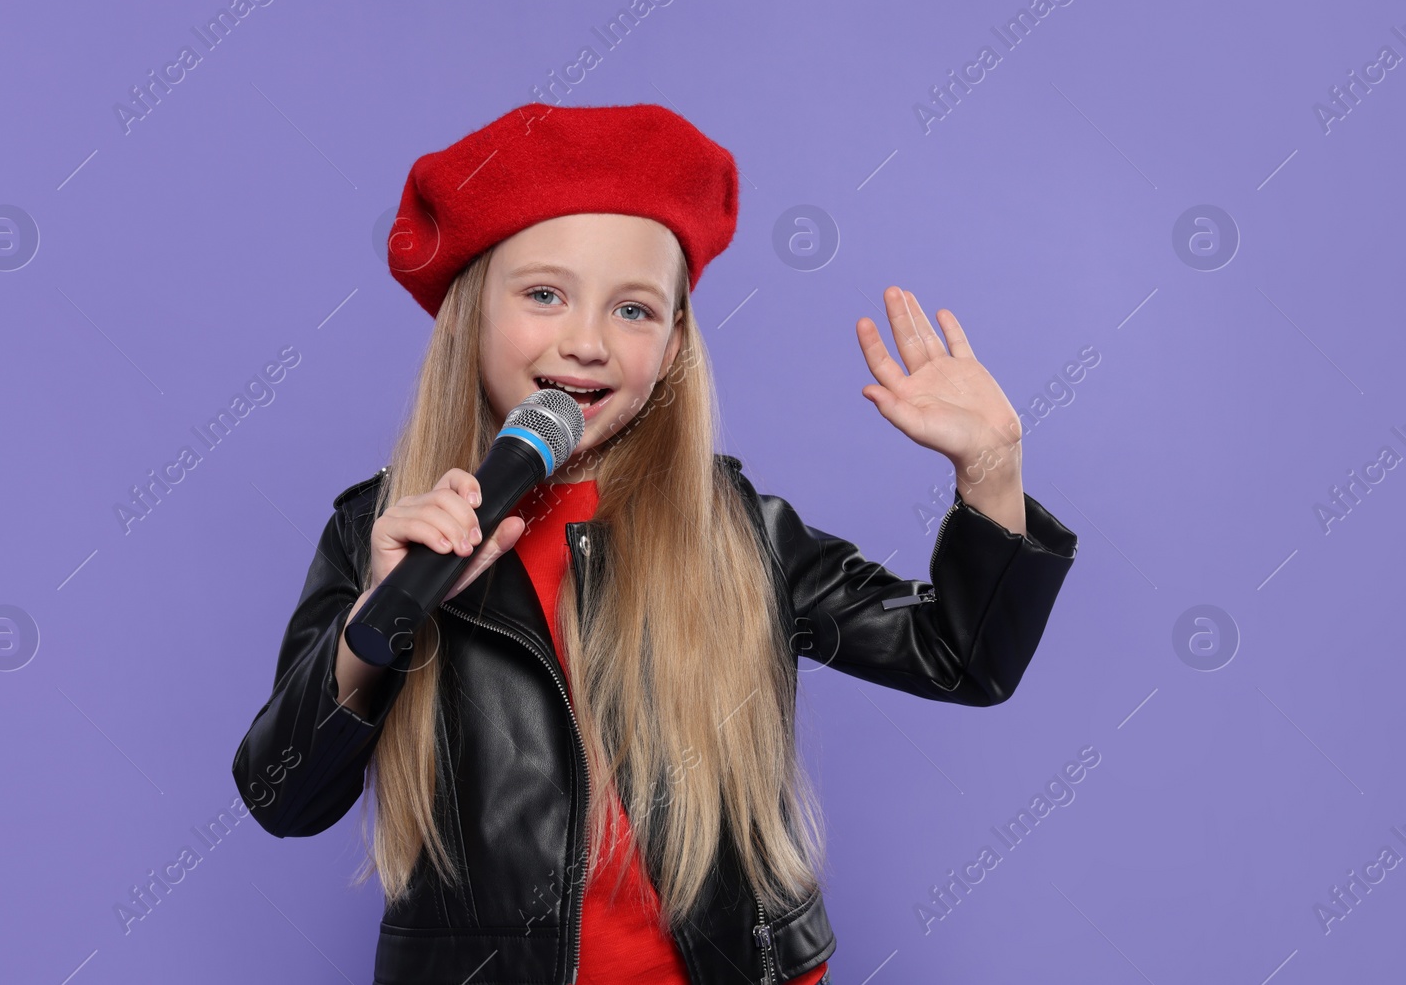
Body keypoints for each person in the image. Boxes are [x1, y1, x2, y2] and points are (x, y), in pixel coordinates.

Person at [232, 102, 1079, 985]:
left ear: (674, 345)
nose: (588, 342)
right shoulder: (379, 531)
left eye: (634, 309)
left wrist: (991, 472)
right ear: (471, 311)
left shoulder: (734, 528)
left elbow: (960, 657)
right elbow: (281, 798)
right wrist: (379, 620)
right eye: (545, 294)